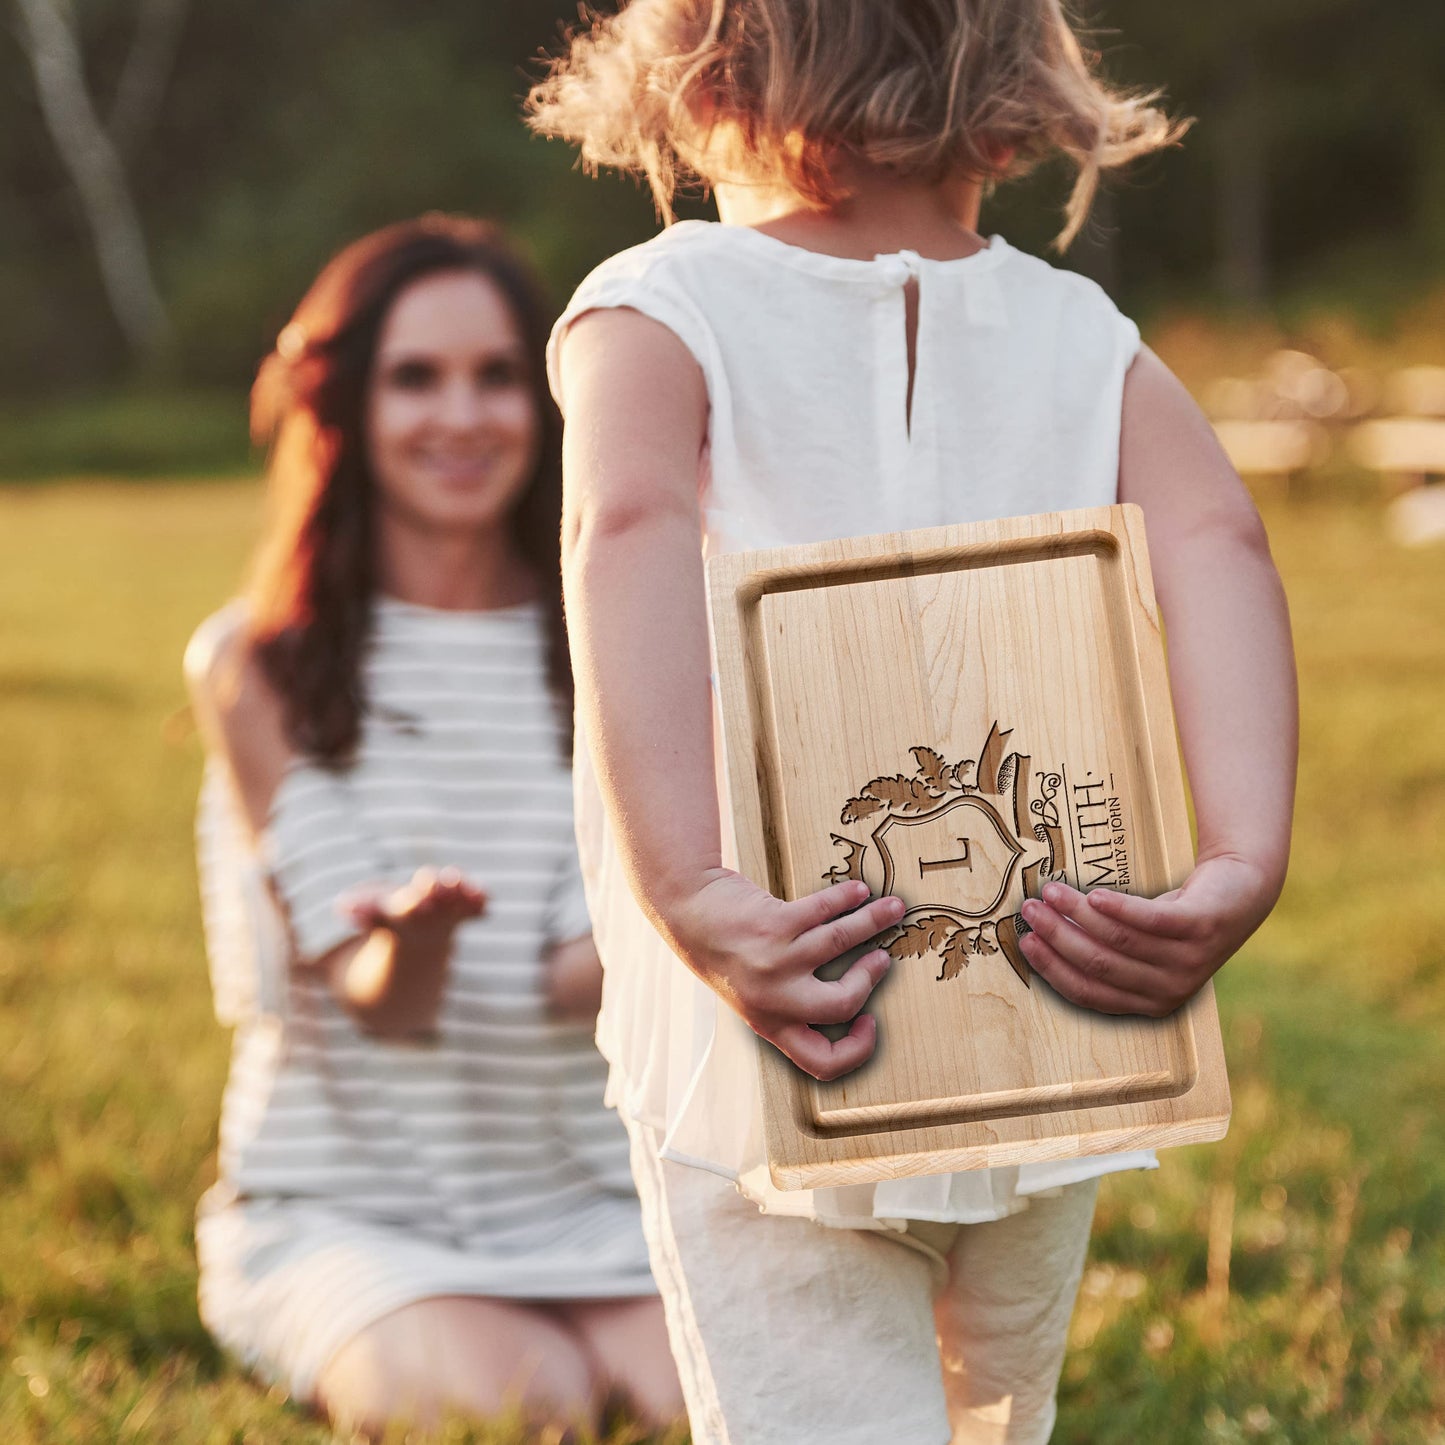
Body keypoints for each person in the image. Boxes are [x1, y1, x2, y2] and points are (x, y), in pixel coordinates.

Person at [527, 4, 1298, 1443]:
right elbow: (1222, 547)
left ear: (702, 76)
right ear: (1017, 89)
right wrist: (1238, 861)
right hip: (1050, 989)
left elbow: (621, 529)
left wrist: (694, 888)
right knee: (1004, 1409)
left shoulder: (660, 304)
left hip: (785, 993)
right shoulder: (1081, 331)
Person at [184, 214, 684, 1438]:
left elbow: (581, 979)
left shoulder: (612, 640)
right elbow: (381, 999)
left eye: (496, 375)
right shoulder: (257, 665)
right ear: (347, 404)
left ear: (547, 399)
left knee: (709, 1402)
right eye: (416, 377)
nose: (460, 416)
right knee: (530, 1405)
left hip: (594, 1198)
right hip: (353, 1208)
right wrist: (413, 935)